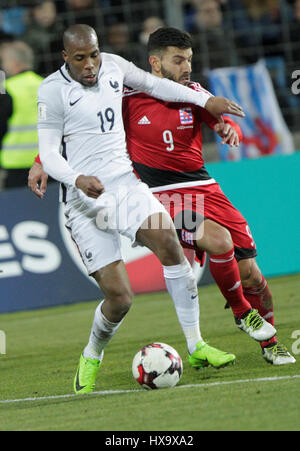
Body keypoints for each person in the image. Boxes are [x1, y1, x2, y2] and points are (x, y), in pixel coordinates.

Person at [29, 23, 265, 395]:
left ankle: (196, 345)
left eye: (93, 55)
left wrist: (205, 101)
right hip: (83, 201)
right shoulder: (52, 90)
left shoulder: (114, 67)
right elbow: (51, 151)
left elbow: (157, 85)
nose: (90, 65)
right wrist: (75, 179)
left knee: (172, 248)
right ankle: (92, 354)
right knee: (120, 298)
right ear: (65, 57)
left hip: (124, 185)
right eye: (80, 59)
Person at [121, 27, 295, 365]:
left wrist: (228, 129)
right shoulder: (127, 99)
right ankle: (243, 313)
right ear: (155, 63)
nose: (187, 67)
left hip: (205, 188)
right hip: (161, 196)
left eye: (189, 59)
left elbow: (218, 120)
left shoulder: (195, 93)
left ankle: (270, 343)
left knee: (252, 276)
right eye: (178, 60)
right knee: (218, 240)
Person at [0, 41, 43, 189]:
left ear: (14, 62)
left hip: (15, 164)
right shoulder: (44, 85)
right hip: (45, 162)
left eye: (4, 61)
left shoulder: (5, 89)